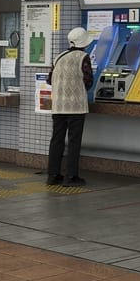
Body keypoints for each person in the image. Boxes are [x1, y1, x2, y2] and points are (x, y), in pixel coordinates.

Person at [48, 26, 94, 186]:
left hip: (58, 105)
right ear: (84, 43)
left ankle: (53, 175)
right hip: (76, 107)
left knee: (57, 140)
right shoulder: (84, 57)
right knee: (74, 141)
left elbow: (49, 79)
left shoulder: (59, 57)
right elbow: (88, 81)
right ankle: (71, 177)